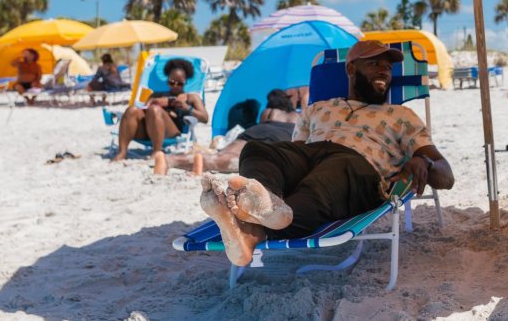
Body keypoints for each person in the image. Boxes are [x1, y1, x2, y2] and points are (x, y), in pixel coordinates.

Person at [198, 40, 455, 267]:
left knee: (329, 174)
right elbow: (293, 154)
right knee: (257, 149)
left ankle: (256, 227)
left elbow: (446, 177)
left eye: (388, 67)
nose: (384, 71)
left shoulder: (401, 115)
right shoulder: (317, 108)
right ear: (351, 69)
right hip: (310, 154)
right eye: (375, 63)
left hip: (358, 171)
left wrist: (424, 160)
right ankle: (262, 213)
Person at [113, 58, 209, 174]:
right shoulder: (157, 95)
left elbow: (205, 118)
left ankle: (156, 151)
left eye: (180, 83)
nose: (175, 86)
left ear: (186, 81)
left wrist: (186, 108)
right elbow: (141, 110)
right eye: (171, 82)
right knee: (132, 110)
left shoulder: (191, 97)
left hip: (172, 131)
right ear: (167, 80)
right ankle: (122, 152)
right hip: (148, 130)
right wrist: (154, 102)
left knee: (155, 110)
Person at [173, 89, 301, 174]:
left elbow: (262, 124)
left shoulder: (269, 111)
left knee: (222, 154)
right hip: (282, 136)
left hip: (256, 132)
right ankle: (210, 162)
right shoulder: (297, 115)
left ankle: (171, 160)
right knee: (246, 159)